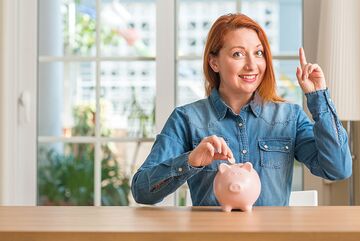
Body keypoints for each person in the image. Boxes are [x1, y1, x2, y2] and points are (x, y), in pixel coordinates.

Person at [131, 13, 352, 206]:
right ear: (214, 63)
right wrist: (190, 161)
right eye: (238, 54)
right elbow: (141, 191)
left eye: (258, 53)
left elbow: (338, 169)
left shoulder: (289, 117)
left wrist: (319, 97)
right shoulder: (187, 119)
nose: (252, 65)